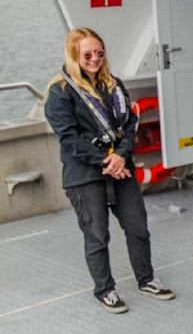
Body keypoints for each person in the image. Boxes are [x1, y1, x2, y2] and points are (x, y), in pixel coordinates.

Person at [44, 27, 176, 314]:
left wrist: (120, 157)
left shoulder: (112, 84)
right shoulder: (60, 92)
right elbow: (70, 138)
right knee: (96, 235)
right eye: (87, 54)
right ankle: (105, 289)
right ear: (74, 56)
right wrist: (108, 160)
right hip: (85, 175)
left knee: (137, 227)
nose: (94, 59)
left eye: (99, 53)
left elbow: (129, 124)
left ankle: (146, 279)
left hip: (121, 169)